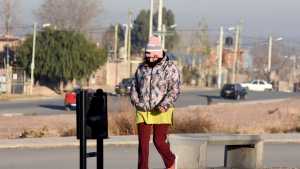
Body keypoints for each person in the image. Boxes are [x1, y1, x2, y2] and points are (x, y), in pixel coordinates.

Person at [130, 36, 181, 169]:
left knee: (158, 141)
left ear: (159, 54)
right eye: (148, 56)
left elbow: (174, 89)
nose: (151, 59)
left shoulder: (170, 68)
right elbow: (134, 86)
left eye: (154, 57)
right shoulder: (141, 68)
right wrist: (136, 100)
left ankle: (171, 160)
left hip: (161, 110)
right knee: (143, 145)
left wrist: (165, 104)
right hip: (143, 110)